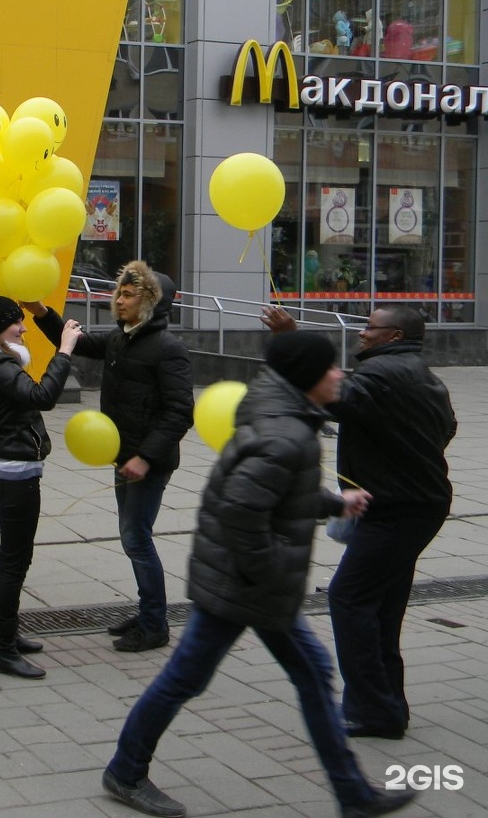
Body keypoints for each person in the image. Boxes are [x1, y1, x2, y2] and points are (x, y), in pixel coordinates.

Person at [101, 332, 413, 818]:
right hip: (243, 585)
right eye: (331, 368)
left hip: (253, 583)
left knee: (309, 674)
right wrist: (270, 579)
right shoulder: (284, 434)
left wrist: (335, 502)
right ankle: (124, 770)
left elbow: (273, 496)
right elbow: (240, 516)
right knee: (188, 678)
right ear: (308, 377)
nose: (340, 375)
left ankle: (354, 795)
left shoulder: (286, 418)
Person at [262, 303, 456, 740]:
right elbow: (448, 429)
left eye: (370, 327)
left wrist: (289, 340)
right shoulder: (424, 376)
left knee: (349, 599)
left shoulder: (381, 376)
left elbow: (330, 397)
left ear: (394, 337)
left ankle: (374, 710)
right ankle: (387, 707)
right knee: (382, 608)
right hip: (415, 503)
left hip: (398, 510)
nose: (361, 333)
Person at [33, 261, 193, 653]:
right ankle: (147, 612)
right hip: (124, 456)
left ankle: (155, 625)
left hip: (146, 462)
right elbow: (82, 342)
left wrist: (145, 457)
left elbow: (179, 412)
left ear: (151, 302)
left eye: (128, 294)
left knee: (136, 538)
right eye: (118, 293)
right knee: (132, 536)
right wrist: (42, 313)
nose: (118, 300)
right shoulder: (123, 338)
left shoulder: (168, 349)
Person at [0, 296, 82, 679]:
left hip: (12, 469)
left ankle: (8, 633)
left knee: (17, 558)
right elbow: (42, 398)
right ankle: (2, 649)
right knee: (14, 562)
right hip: (15, 473)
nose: (24, 328)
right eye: (17, 323)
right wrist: (64, 350)